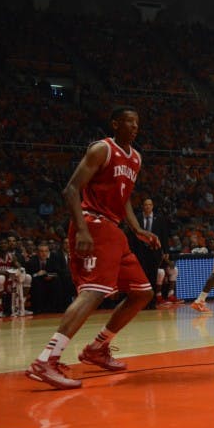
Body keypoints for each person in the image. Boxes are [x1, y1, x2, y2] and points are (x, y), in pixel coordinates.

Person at [25, 106, 159, 390]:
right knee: (93, 292)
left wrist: (137, 229)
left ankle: (97, 348)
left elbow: (123, 199)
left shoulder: (136, 157)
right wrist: (82, 229)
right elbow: (71, 189)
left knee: (142, 293)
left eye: (138, 122)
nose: (135, 127)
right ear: (115, 124)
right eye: (129, 122)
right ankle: (46, 360)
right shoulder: (101, 149)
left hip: (115, 230)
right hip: (94, 224)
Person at [131, 198, 173, 308]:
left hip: (155, 252)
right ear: (143, 206)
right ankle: (141, 302)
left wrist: (166, 250)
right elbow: (132, 236)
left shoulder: (159, 219)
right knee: (142, 276)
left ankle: (152, 301)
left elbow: (164, 235)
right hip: (140, 252)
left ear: (152, 206)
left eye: (149, 205)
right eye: (145, 205)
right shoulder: (137, 218)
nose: (147, 207)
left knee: (153, 276)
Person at [26, 242, 71, 314]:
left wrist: (48, 274)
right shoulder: (32, 261)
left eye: (46, 251)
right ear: (37, 252)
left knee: (57, 281)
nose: (44, 253)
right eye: (41, 251)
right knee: (37, 282)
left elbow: (58, 272)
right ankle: (39, 309)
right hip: (37, 282)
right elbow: (28, 275)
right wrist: (37, 274)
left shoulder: (53, 259)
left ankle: (57, 308)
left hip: (50, 280)